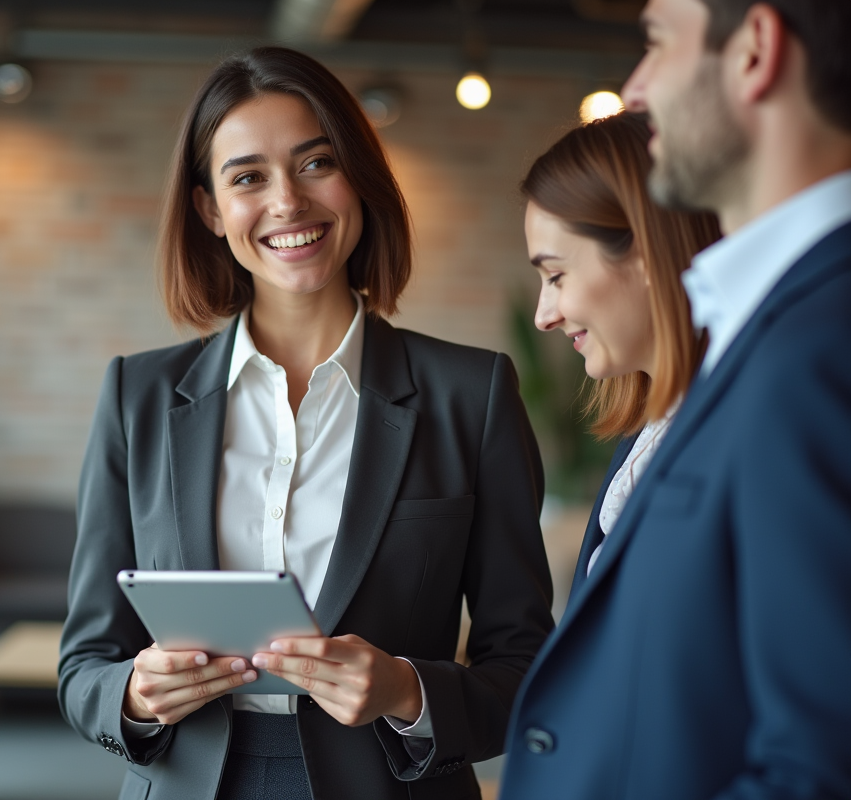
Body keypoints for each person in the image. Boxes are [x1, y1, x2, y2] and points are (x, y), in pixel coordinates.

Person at [58, 47, 555, 800]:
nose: (287, 203)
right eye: (248, 177)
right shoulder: (139, 396)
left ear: (359, 176)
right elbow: (84, 665)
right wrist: (131, 694)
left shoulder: (471, 393)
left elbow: (525, 666)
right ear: (210, 211)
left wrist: (406, 692)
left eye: (316, 163)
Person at [500, 1, 851, 798]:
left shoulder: (819, 344)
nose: (634, 86)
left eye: (657, 41)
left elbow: (818, 763)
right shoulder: (755, 341)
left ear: (754, 50)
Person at [521, 111, 720, 598]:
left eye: (556, 276)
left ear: (646, 253)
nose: (543, 316)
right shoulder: (647, 436)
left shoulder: (747, 427)